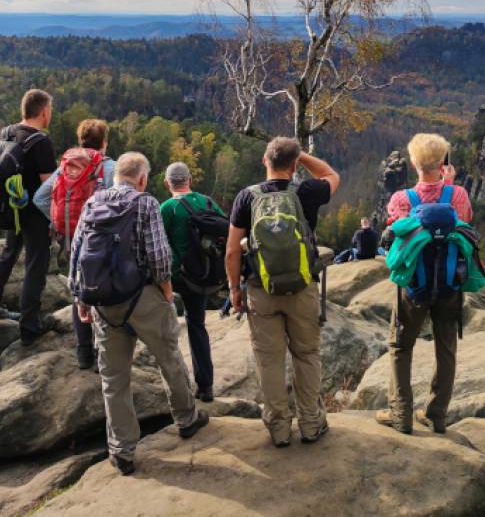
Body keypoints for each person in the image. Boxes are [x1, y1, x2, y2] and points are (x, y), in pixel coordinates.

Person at [72, 152, 208, 476]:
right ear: (143, 178)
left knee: (114, 378)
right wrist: (165, 292)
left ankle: (122, 451)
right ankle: (187, 419)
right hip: (142, 297)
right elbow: (160, 256)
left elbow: (78, 251)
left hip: (105, 303)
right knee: (169, 358)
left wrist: (81, 300)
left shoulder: (92, 203)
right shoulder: (145, 203)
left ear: (115, 175)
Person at [226, 137, 339, 448]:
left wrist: (235, 289)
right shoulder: (306, 192)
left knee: (269, 360)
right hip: (302, 289)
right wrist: (302, 157)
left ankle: (278, 428)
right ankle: (311, 424)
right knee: (306, 354)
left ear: (265, 160)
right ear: (293, 165)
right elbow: (331, 175)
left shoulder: (246, 198)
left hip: (261, 289)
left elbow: (233, 251)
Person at [375, 133, 473, 435]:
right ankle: (436, 414)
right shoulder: (458, 196)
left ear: (414, 163)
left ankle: (401, 415)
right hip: (449, 284)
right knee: (446, 349)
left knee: (401, 347)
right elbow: (466, 224)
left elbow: (395, 237)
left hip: (413, 286)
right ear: (443, 163)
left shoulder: (401, 200)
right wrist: (452, 184)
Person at [0, 89, 57, 346]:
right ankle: (30, 325)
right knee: (36, 264)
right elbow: (49, 186)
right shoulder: (41, 141)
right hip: (34, 213)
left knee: (9, 254)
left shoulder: (6, 132)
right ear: (44, 112)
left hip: (11, 208)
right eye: (50, 111)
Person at [33, 119, 116, 369]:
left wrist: (61, 221)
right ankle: (107, 351)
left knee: (80, 292)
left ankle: (83, 353)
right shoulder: (109, 166)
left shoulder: (67, 167)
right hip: (102, 239)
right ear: (104, 142)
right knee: (107, 293)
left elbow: (40, 198)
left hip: (72, 240)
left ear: (81, 140)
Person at [160, 161, 225, 402]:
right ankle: (205, 387)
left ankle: (173, 390)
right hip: (206, 276)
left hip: (178, 278)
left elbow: (157, 245)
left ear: (168, 183)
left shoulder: (167, 208)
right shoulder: (208, 202)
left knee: (163, 331)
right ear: (190, 180)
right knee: (197, 325)